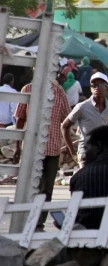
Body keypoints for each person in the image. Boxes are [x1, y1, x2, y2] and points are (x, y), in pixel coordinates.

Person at [14, 75, 71, 229]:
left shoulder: (59, 92)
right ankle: (28, 218)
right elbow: (20, 119)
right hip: (33, 149)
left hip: (51, 150)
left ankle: (38, 221)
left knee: (46, 188)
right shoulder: (28, 89)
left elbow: (68, 118)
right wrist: (18, 146)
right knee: (32, 186)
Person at [61, 72, 108, 167]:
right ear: (90, 89)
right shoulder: (82, 107)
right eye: (94, 85)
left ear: (107, 88)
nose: (97, 88)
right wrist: (72, 152)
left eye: (101, 85)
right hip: (86, 154)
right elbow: (64, 127)